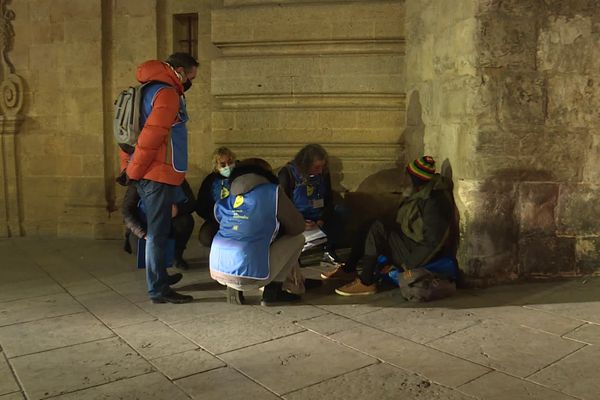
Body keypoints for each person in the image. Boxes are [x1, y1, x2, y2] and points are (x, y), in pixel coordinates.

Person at [119, 52, 198, 304]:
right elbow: (151, 136)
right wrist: (134, 171)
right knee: (158, 233)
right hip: (156, 173)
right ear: (180, 71)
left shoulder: (147, 89)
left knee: (159, 230)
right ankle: (158, 290)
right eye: (191, 76)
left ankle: (160, 277)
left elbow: (129, 136)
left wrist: (130, 167)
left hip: (149, 171)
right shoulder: (166, 94)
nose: (189, 83)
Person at [323, 156, 455, 296]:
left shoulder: (434, 202)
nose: (403, 181)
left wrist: (406, 266)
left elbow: (432, 241)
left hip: (416, 251)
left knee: (377, 228)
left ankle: (366, 282)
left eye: (407, 177)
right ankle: (349, 270)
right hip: (407, 242)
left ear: (416, 180)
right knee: (369, 224)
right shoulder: (417, 193)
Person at [209, 158, 307, 306]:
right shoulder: (272, 192)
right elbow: (298, 227)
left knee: (240, 237)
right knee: (298, 239)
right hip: (249, 275)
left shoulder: (229, 197)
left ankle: (232, 287)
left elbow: (222, 220)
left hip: (218, 270)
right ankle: (272, 292)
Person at [278, 144, 345, 264]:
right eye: (316, 167)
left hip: (318, 215)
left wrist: (322, 219)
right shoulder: (287, 173)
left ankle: (329, 251)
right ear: (305, 164)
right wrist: (300, 222)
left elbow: (329, 199)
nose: (320, 171)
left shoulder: (323, 173)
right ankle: (293, 257)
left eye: (322, 167)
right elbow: (283, 205)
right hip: (298, 216)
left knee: (341, 211)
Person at [122, 179, 196, 270]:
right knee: (146, 253)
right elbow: (127, 211)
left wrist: (177, 209)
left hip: (169, 222)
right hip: (145, 225)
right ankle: (155, 267)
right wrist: (143, 233)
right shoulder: (139, 179)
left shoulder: (177, 177)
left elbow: (192, 203)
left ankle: (175, 256)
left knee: (185, 221)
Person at [196, 147, 236, 247]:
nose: (227, 166)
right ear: (216, 166)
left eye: (230, 162)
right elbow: (201, 206)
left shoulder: (240, 175)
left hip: (239, 218)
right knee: (206, 236)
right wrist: (215, 216)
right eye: (222, 164)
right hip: (216, 220)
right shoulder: (210, 181)